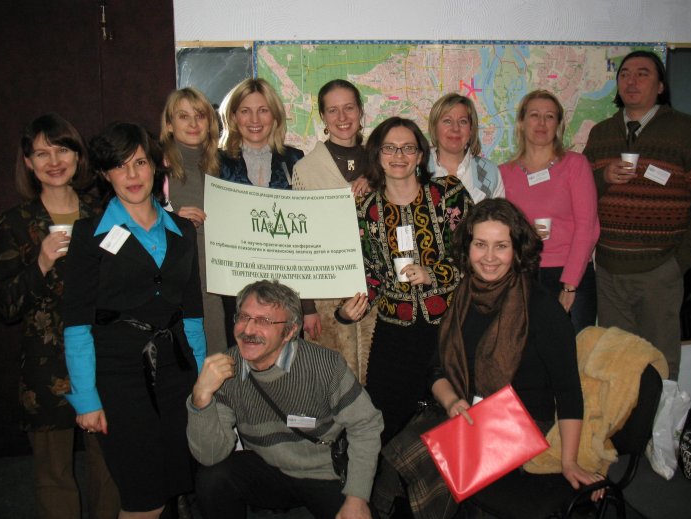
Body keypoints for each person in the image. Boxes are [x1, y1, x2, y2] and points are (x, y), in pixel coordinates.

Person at [375, 199, 600, 518]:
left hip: (522, 422)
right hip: (467, 408)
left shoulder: (542, 308)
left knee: (435, 462)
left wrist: (569, 461)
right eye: (480, 244)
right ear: (467, 248)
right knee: (395, 458)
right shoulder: (463, 295)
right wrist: (452, 402)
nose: (490, 257)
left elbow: (568, 391)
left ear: (517, 250)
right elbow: (436, 367)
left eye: (501, 246)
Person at [62, 122, 207, 518]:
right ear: (105, 173)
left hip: (177, 375)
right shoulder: (88, 234)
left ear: (155, 166)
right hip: (119, 379)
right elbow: (76, 325)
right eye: (120, 165)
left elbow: (192, 314)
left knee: (174, 485)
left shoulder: (182, 230)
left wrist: (200, 380)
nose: (132, 175)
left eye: (140, 162)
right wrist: (86, 399)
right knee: (144, 497)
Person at [0, 114, 120, 519]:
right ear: (28, 163)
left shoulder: (103, 214)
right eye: (41, 153)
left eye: (62, 149)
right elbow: (5, 307)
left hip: (103, 359)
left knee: (109, 465)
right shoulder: (14, 223)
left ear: (77, 156)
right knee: (53, 473)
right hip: (47, 369)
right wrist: (41, 263)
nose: (54, 161)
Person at [187, 280, 383, 519]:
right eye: (244, 317)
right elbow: (210, 456)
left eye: (264, 321)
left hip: (323, 472)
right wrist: (200, 399)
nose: (248, 330)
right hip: (268, 468)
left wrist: (357, 498)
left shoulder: (324, 365)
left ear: (290, 331)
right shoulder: (226, 369)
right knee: (212, 478)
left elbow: (366, 425)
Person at [582, 50, 691, 379]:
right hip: (609, 272)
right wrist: (603, 177)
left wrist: (678, 263)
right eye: (625, 74)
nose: (632, 81)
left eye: (642, 73)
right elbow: (581, 194)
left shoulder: (686, 130)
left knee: (659, 366)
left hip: (659, 273)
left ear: (660, 86)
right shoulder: (601, 133)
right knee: (616, 366)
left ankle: (661, 417)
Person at [338, 117, 473, 443]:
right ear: (377, 154)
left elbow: (474, 254)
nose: (399, 155)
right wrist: (348, 309)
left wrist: (434, 274)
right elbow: (370, 272)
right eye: (390, 148)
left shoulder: (448, 193)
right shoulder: (366, 208)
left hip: (452, 327)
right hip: (395, 332)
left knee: (454, 423)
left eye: (408, 148)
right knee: (382, 423)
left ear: (420, 155)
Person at [217, 78, 321, 344]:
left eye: (263, 110)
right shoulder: (216, 162)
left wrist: (308, 306)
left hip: (286, 288)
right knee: (243, 355)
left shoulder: (294, 159)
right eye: (245, 111)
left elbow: (305, 233)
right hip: (235, 287)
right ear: (233, 117)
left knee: (286, 359)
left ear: (274, 116)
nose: (254, 119)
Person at [291, 79, 375, 381]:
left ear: (361, 111)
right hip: (325, 295)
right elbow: (301, 243)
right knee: (332, 379)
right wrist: (307, 308)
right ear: (323, 117)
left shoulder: (380, 163)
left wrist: (376, 179)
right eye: (333, 110)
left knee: (373, 375)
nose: (342, 117)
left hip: (375, 290)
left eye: (349, 108)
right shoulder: (305, 169)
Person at [500, 89, 599, 333]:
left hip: (570, 275)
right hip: (523, 275)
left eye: (550, 116)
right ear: (522, 122)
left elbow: (587, 227)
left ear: (559, 124)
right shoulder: (504, 173)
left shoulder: (575, 165)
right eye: (534, 115)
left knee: (574, 349)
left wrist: (569, 284)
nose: (542, 123)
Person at [161, 87, 227, 354]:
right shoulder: (155, 168)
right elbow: (133, 222)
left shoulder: (221, 167)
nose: (193, 123)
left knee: (215, 358)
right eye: (183, 116)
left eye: (200, 115)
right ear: (169, 124)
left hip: (214, 283)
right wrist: (171, 220)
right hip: (176, 285)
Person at [427, 92, 504, 203]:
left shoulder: (490, 173)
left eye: (463, 121)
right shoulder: (417, 168)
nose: (455, 128)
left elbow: (499, 214)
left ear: (471, 129)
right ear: (434, 127)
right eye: (447, 121)